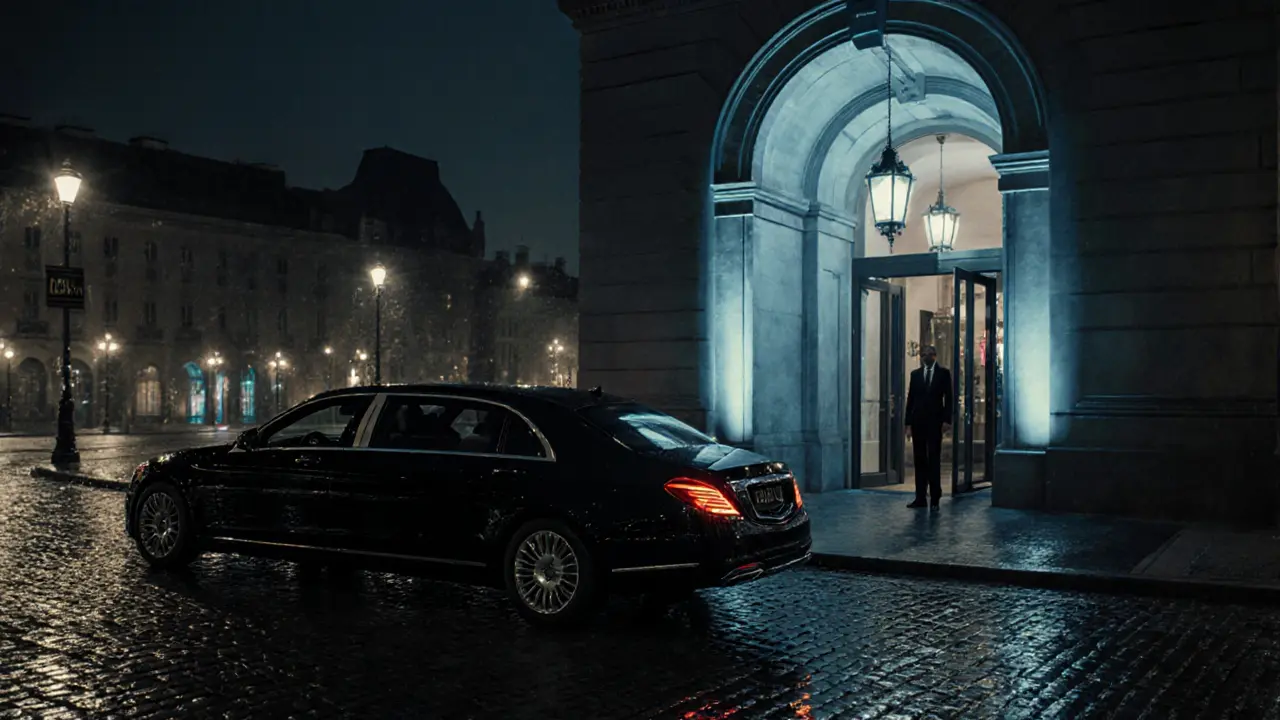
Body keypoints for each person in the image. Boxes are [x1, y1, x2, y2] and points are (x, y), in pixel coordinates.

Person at [904, 345, 951, 509]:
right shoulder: (915, 375)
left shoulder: (943, 374)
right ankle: (920, 497)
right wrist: (908, 424)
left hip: (935, 423)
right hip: (918, 423)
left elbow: (949, 399)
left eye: (929, 355)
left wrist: (947, 420)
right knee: (920, 460)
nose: (926, 357)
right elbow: (910, 400)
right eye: (923, 355)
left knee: (934, 459)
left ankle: (935, 497)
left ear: (935, 356)